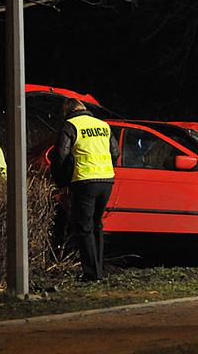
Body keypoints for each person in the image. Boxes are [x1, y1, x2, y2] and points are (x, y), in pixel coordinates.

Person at [50, 98, 119, 282]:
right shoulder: (102, 125)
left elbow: (60, 155)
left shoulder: (70, 126)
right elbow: (115, 153)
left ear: (67, 111)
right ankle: (98, 271)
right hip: (107, 181)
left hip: (84, 180)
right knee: (97, 224)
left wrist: (60, 179)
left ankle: (91, 274)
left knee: (83, 227)